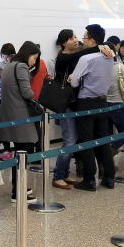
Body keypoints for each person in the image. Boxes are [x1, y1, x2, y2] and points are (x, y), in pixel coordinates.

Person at [68, 24, 117, 191]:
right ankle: (109, 177)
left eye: (85, 38)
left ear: (93, 40)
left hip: (86, 102)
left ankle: (89, 180)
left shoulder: (86, 59)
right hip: (102, 101)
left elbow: (74, 81)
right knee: (103, 139)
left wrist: (72, 79)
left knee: (86, 141)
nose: (83, 41)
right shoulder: (110, 57)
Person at [0, 41, 41, 202]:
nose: (34, 62)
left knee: (19, 153)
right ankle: (18, 192)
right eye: (34, 58)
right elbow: (27, 93)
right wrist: (34, 93)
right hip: (22, 116)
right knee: (24, 154)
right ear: (27, 54)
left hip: (10, 115)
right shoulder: (21, 67)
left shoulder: (9, 65)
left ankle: (19, 186)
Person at [51, 29, 83, 188]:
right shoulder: (63, 58)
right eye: (71, 38)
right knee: (69, 140)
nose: (75, 40)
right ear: (63, 43)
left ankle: (64, 174)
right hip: (65, 105)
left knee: (72, 139)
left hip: (74, 103)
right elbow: (76, 56)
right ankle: (57, 176)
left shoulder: (74, 57)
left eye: (76, 37)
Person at [104, 42, 124, 153]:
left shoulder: (99, 68)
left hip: (104, 104)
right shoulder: (119, 67)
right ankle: (112, 151)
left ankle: (106, 161)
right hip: (118, 104)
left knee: (106, 135)